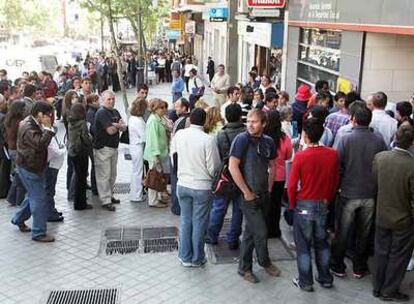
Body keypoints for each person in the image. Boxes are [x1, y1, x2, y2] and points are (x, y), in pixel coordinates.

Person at [330, 105, 387, 279]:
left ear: (353, 119)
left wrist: (336, 189)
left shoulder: (345, 139)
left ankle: (337, 266)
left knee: (342, 232)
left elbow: (337, 166)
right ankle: (359, 267)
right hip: (370, 193)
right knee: (364, 233)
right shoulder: (379, 139)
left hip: (348, 192)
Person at [229, 109, 281, 283]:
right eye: (248, 121)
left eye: (255, 121)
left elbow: (273, 165)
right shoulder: (241, 139)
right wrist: (246, 192)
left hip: (264, 194)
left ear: (264, 124)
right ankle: (264, 261)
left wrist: (270, 187)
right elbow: (232, 167)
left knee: (251, 233)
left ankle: (244, 268)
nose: (250, 124)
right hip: (247, 197)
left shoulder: (268, 141)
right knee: (261, 232)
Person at [288, 118, 339, 292]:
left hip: (304, 204)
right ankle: (325, 278)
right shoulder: (332, 154)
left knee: (303, 246)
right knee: (322, 243)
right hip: (323, 203)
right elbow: (335, 180)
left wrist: (293, 204)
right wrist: (328, 198)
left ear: (306, 135)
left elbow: (293, 184)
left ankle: (306, 281)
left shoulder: (301, 156)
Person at [171, 108, 221, 267]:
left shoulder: (179, 135)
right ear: (204, 121)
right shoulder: (208, 139)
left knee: (185, 220)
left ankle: (185, 256)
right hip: (202, 186)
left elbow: (174, 157)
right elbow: (214, 166)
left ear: (190, 120)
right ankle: (197, 258)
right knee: (199, 223)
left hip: (183, 184)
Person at [372, 125, 414, 302]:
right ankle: (389, 289)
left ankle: (377, 286)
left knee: (381, 251)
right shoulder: (411, 165)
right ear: (411, 143)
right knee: (398, 256)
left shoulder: (380, 158)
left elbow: (375, 182)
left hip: (382, 213)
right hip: (403, 219)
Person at [11, 101, 56, 242]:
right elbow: (40, 144)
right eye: (48, 115)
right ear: (40, 114)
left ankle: (18, 219)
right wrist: (48, 129)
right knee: (39, 198)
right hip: (29, 167)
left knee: (33, 196)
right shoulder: (29, 126)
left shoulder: (31, 122)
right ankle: (38, 232)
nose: (50, 117)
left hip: (33, 166)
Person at [206, 104, 246, 249]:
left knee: (219, 207)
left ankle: (212, 236)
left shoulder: (221, 135)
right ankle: (233, 238)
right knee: (238, 209)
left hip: (225, 176)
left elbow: (216, 158)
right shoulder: (246, 133)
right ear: (240, 116)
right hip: (243, 176)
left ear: (226, 117)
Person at [93, 90, 126, 212]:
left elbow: (124, 126)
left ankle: (110, 195)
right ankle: (105, 200)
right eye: (109, 99)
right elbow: (110, 131)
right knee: (104, 175)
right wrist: (118, 126)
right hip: (103, 148)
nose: (111, 101)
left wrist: (116, 125)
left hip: (114, 148)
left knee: (112, 174)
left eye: (113, 99)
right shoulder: (101, 113)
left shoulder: (115, 111)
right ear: (102, 100)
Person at [265, 111, 292, 238]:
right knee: (276, 205)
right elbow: (289, 155)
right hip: (280, 176)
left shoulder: (262, 137)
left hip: (264, 175)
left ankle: (263, 228)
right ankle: (274, 230)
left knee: (264, 204)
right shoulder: (284, 138)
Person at [144, 99, 170, 208]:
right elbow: (153, 139)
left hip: (161, 152)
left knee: (159, 175)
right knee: (154, 176)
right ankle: (152, 200)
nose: (164, 109)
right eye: (161, 108)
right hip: (155, 154)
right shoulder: (153, 121)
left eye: (164, 107)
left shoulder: (159, 118)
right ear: (155, 109)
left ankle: (158, 197)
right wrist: (156, 155)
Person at [67, 103, 93, 211]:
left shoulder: (70, 122)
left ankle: (77, 202)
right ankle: (81, 203)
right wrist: (91, 139)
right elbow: (86, 138)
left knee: (77, 177)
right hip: (81, 152)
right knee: (82, 179)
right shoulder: (82, 123)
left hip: (73, 151)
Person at [170, 98, 191, 215]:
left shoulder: (180, 121)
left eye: (178, 106)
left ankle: (177, 207)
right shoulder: (190, 119)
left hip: (177, 156)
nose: (175, 108)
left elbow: (173, 140)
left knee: (176, 182)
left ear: (184, 108)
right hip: (187, 157)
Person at [5, 101, 27, 205]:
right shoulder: (17, 122)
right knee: (21, 175)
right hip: (17, 150)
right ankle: (19, 199)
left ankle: (12, 197)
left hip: (11, 148)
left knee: (19, 173)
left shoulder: (9, 120)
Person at [128, 97, 147, 203]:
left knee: (136, 171)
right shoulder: (138, 121)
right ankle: (137, 195)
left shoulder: (132, 118)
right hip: (138, 147)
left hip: (134, 146)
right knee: (138, 172)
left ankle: (135, 193)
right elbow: (144, 136)